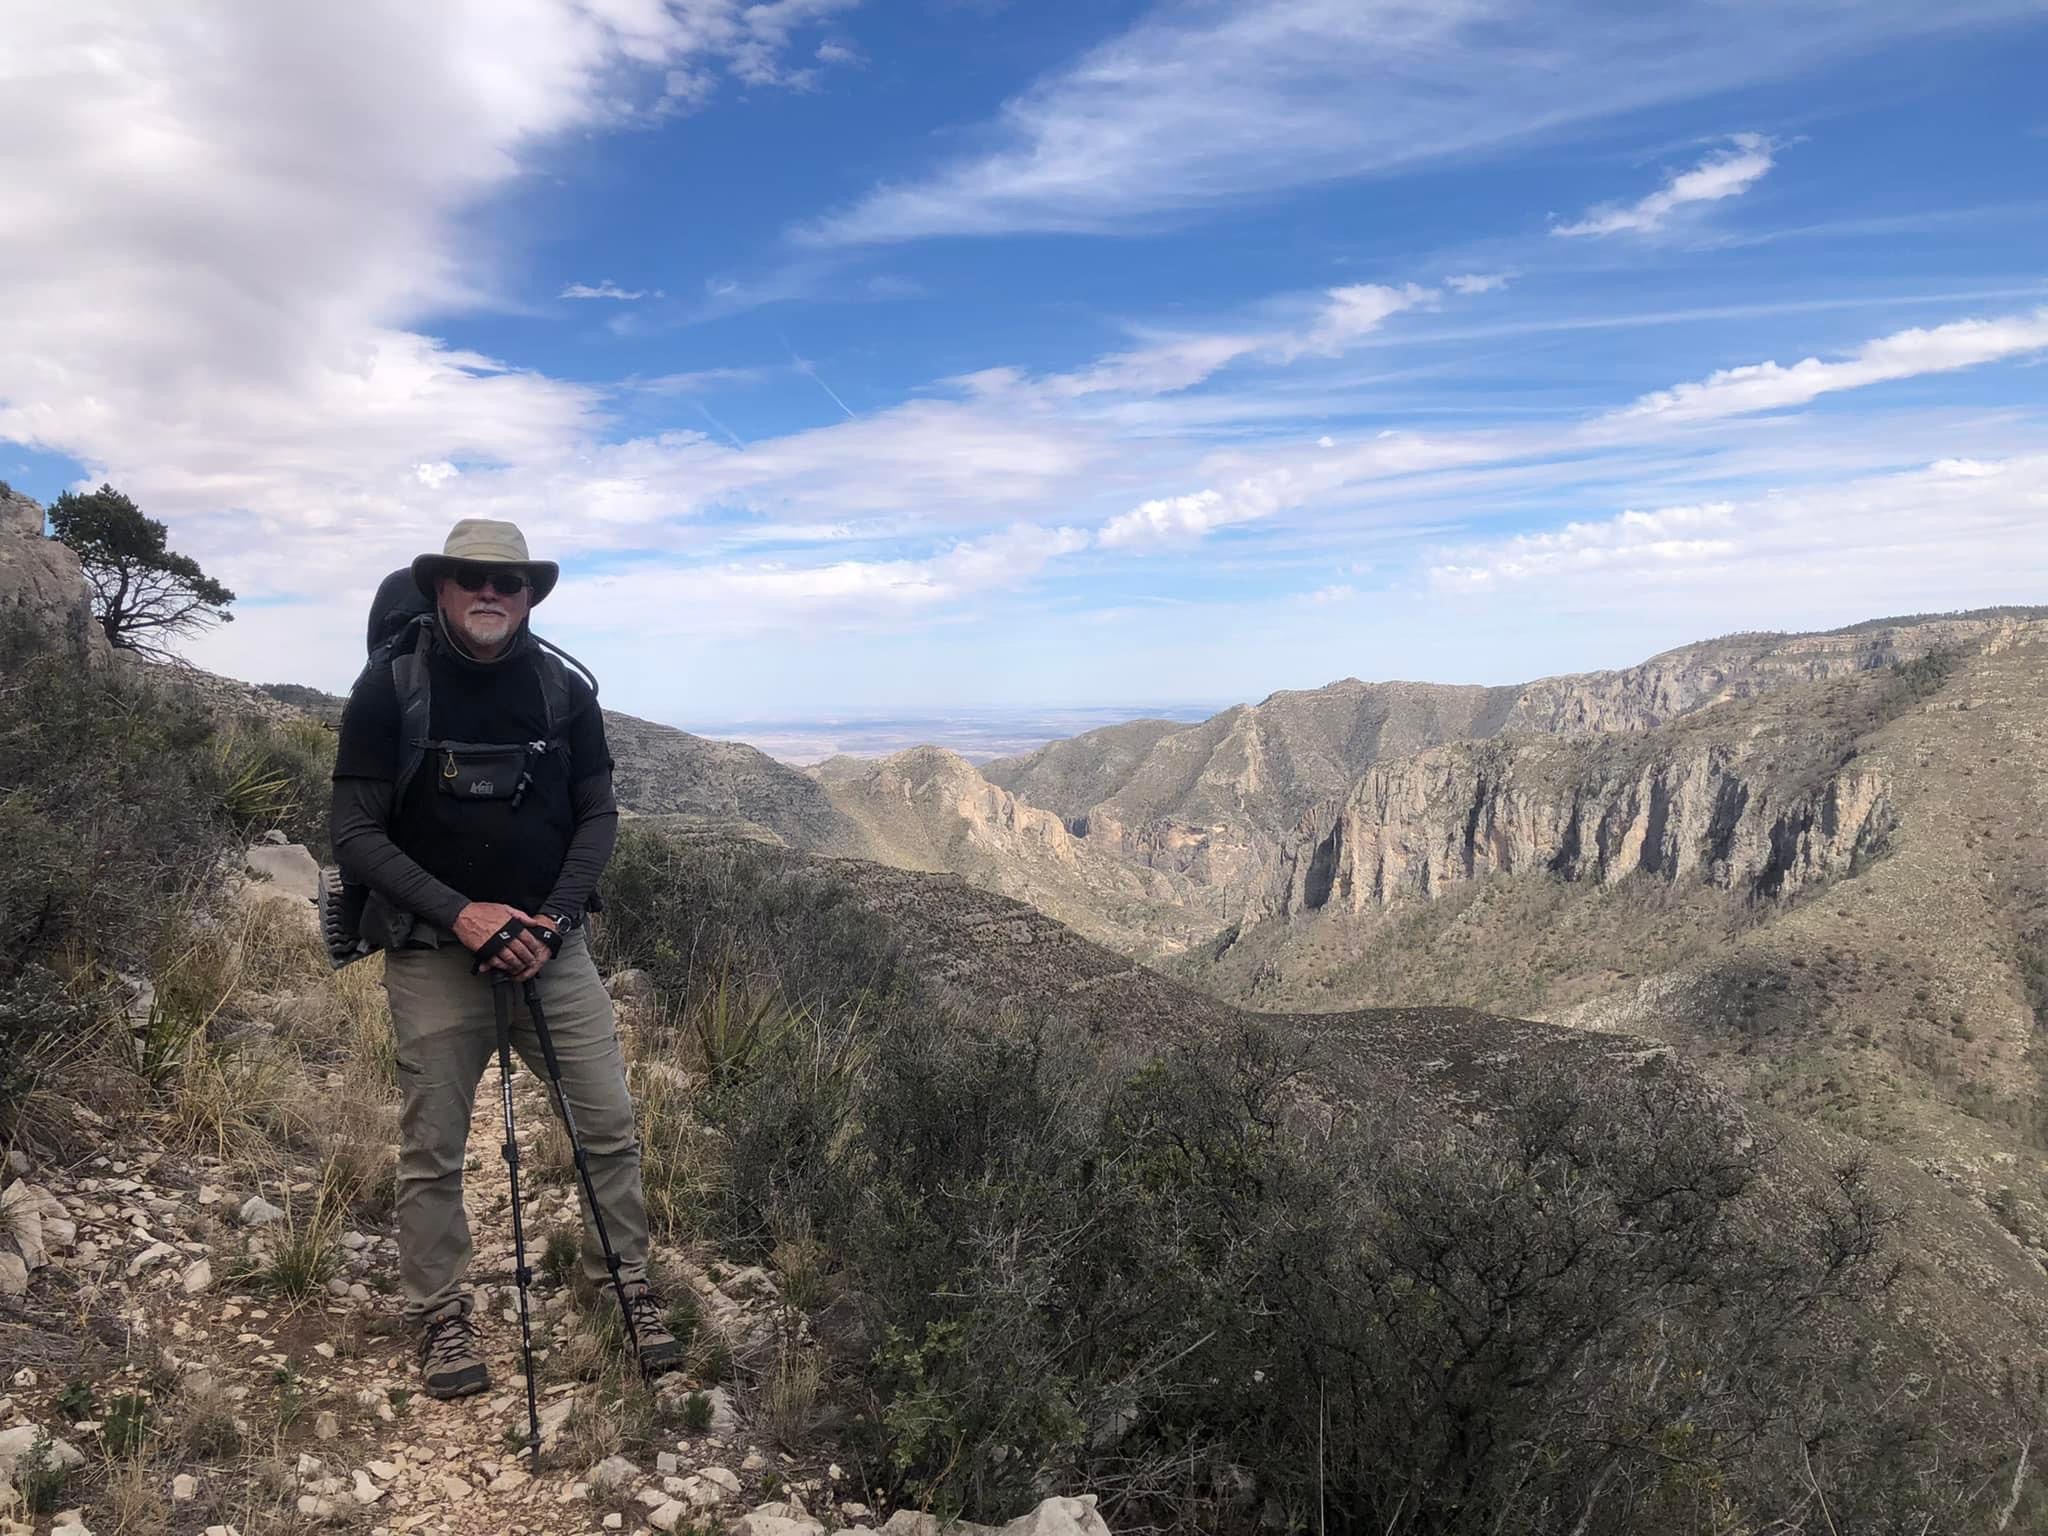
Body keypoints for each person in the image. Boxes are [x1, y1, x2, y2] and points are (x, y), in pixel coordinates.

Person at [330, 518, 680, 1398]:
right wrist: (465, 915)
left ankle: (625, 1283)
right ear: (441, 588)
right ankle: (441, 1311)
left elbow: (598, 816)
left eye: (510, 582)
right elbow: (355, 836)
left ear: (529, 595)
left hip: (551, 952)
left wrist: (553, 923)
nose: (492, 592)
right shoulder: (390, 690)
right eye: (472, 578)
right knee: (435, 1144)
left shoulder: (562, 692)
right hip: (430, 951)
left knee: (606, 1124)